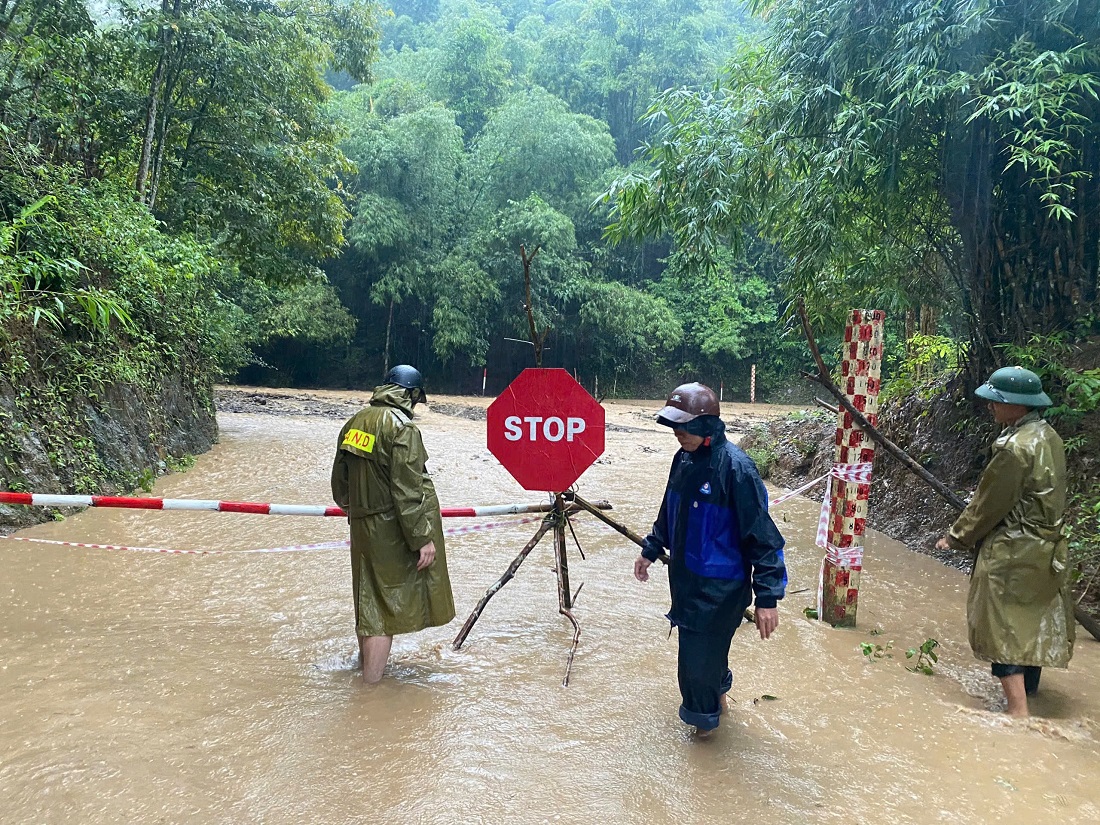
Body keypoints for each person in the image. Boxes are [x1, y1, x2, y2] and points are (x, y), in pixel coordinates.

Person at [634, 382, 787, 737]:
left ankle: (704, 739)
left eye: (684, 426)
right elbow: (669, 511)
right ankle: (718, 703)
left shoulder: (737, 470)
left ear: (706, 425)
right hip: (687, 584)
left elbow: (763, 538)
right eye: (674, 426)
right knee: (708, 659)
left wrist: (767, 598)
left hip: (721, 592)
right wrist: (651, 549)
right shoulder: (683, 460)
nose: (678, 433)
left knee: (694, 670)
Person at [935, 366, 1075, 718]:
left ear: (1018, 405)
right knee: (1029, 620)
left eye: (997, 401)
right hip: (1046, 549)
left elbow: (988, 505)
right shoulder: (1049, 438)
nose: (990, 407)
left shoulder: (1015, 449)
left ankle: (1018, 714)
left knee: (1000, 625)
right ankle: (1030, 694)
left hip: (1012, 550)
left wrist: (956, 537)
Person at [330, 364, 455, 683]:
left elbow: (340, 481)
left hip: (361, 525)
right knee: (385, 609)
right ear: (411, 395)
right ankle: (371, 690)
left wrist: (355, 509)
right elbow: (407, 489)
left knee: (368, 598)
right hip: (392, 530)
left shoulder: (355, 422)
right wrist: (421, 538)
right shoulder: (403, 429)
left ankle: (363, 672)